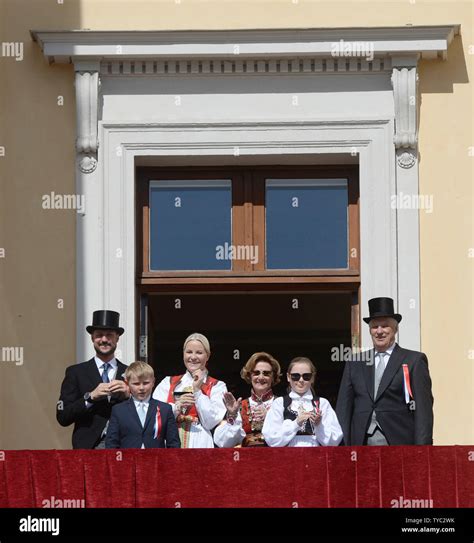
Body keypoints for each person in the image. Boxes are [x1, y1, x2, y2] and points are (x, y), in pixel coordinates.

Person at [336, 297, 434, 446]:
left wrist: (422, 450)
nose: (379, 331)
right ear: (370, 330)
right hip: (361, 443)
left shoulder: (414, 360)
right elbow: (344, 408)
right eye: (375, 327)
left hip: (400, 442)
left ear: (395, 329)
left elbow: (423, 410)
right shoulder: (354, 362)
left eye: (385, 326)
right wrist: (342, 447)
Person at [57, 310, 130, 449]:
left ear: (117, 338)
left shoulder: (130, 372)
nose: (104, 339)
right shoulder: (75, 372)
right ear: (92, 338)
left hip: (124, 445)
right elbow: (63, 416)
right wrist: (89, 398)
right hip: (88, 448)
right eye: (99, 335)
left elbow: (147, 410)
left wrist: (129, 396)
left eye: (109, 335)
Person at [152, 333, 227, 448]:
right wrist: (176, 407)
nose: (193, 357)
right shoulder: (168, 382)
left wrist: (197, 391)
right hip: (170, 443)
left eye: (199, 352)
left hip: (201, 444)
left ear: (208, 356)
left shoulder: (217, 386)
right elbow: (154, 416)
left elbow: (210, 422)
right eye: (189, 352)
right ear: (183, 354)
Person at [262, 357, 342, 447]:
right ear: (288, 377)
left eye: (306, 376)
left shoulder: (322, 403)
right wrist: (296, 423)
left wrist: (319, 425)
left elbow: (334, 441)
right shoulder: (279, 403)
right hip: (287, 458)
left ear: (312, 378)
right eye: (295, 376)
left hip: (317, 456)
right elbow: (271, 440)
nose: (301, 380)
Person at [106, 362, 180, 449]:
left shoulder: (165, 409)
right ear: (127, 383)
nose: (141, 388)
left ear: (153, 382)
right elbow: (112, 443)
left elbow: (173, 444)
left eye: (146, 383)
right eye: (136, 384)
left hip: (156, 461)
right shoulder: (118, 410)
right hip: (128, 461)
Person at [214, 352, 281, 448]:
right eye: (256, 373)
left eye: (266, 373)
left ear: (273, 377)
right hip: (247, 460)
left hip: (276, 459)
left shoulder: (282, 404)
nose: (261, 377)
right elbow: (223, 443)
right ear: (249, 376)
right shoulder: (240, 406)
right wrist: (232, 415)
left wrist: (270, 417)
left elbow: (289, 437)